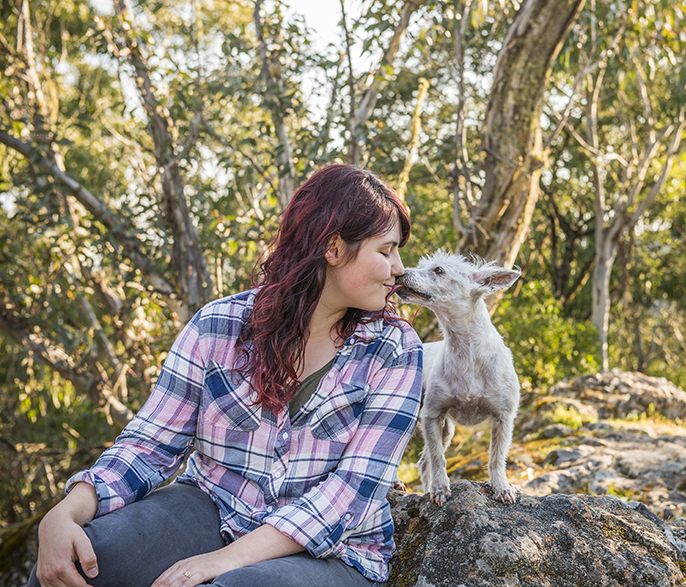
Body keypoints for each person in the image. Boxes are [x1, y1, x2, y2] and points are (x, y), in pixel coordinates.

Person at [28, 165, 423, 587]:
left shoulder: (395, 350)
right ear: (333, 247)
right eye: (386, 251)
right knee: (87, 558)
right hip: (214, 505)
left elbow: (350, 494)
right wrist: (66, 512)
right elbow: (150, 444)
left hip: (334, 552)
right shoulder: (218, 325)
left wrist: (222, 561)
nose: (399, 267)